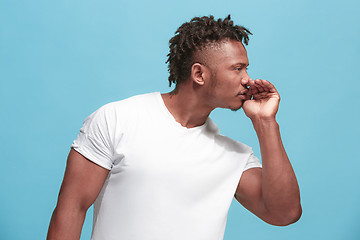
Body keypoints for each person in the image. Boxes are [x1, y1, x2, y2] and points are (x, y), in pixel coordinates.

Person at [47, 15, 301, 240]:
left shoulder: (236, 156)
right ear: (199, 74)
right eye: (237, 68)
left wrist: (265, 122)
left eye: (246, 68)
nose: (248, 79)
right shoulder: (117, 119)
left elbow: (285, 213)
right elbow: (72, 207)